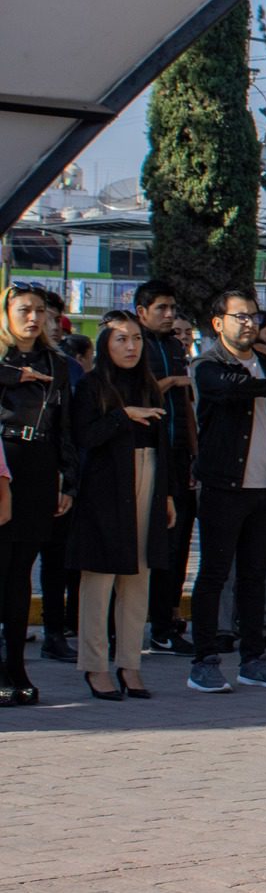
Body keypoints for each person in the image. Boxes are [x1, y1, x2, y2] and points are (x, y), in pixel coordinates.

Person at [186, 288, 266, 693]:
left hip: (265, 488)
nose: (249, 323)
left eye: (253, 316)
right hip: (222, 487)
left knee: (255, 576)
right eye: (240, 316)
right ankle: (205, 660)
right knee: (214, 575)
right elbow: (226, 389)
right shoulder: (208, 365)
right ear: (218, 323)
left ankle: (255, 660)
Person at [68, 311, 174, 700]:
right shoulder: (92, 385)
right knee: (98, 582)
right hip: (106, 488)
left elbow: (165, 446)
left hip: (149, 479)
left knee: (138, 580)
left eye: (136, 339)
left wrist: (167, 494)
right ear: (104, 344)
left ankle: (130, 664)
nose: (130, 347)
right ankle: (95, 667)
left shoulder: (149, 384)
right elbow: (85, 436)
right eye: (120, 340)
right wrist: (123, 416)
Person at [0, 284, 76, 702]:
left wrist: (67, 478)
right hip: (2, 462)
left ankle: (16, 669)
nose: (32, 318)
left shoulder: (56, 362)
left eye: (39, 311)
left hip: (40, 462)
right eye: (23, 310)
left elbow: (65, 425)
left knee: (19, 578)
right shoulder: (3, 357)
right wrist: (16, 375)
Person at [221, 310, 266, 652]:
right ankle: (223, 628)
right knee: (226, 561)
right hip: (230, 483)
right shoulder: (222, 370)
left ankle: (262, 627)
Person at [135, 282, 198, 656]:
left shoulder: (175, 347)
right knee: (139, 542)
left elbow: (187, 406)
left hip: (178, 455)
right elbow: (131, 395)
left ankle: (165, 623)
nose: (169, 314)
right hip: (143, 454)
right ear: (142, 311)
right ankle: (120, 629)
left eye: (172, 307)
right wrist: (172, 381)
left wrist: (194, 452)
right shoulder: (133, 344)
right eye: (161, 308)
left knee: (176, 545)